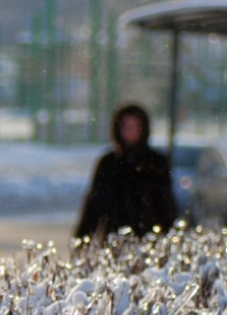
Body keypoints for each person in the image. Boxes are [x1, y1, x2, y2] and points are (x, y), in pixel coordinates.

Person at [74, 103, 177, 244]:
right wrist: (82, 240)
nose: (129, 132)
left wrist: (169, 237)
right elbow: (95, 205)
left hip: (149, 240)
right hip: (115, 240)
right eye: (125, 127)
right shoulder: (109, 164)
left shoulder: (156, 163)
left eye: (134, 127)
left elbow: (166, 205)